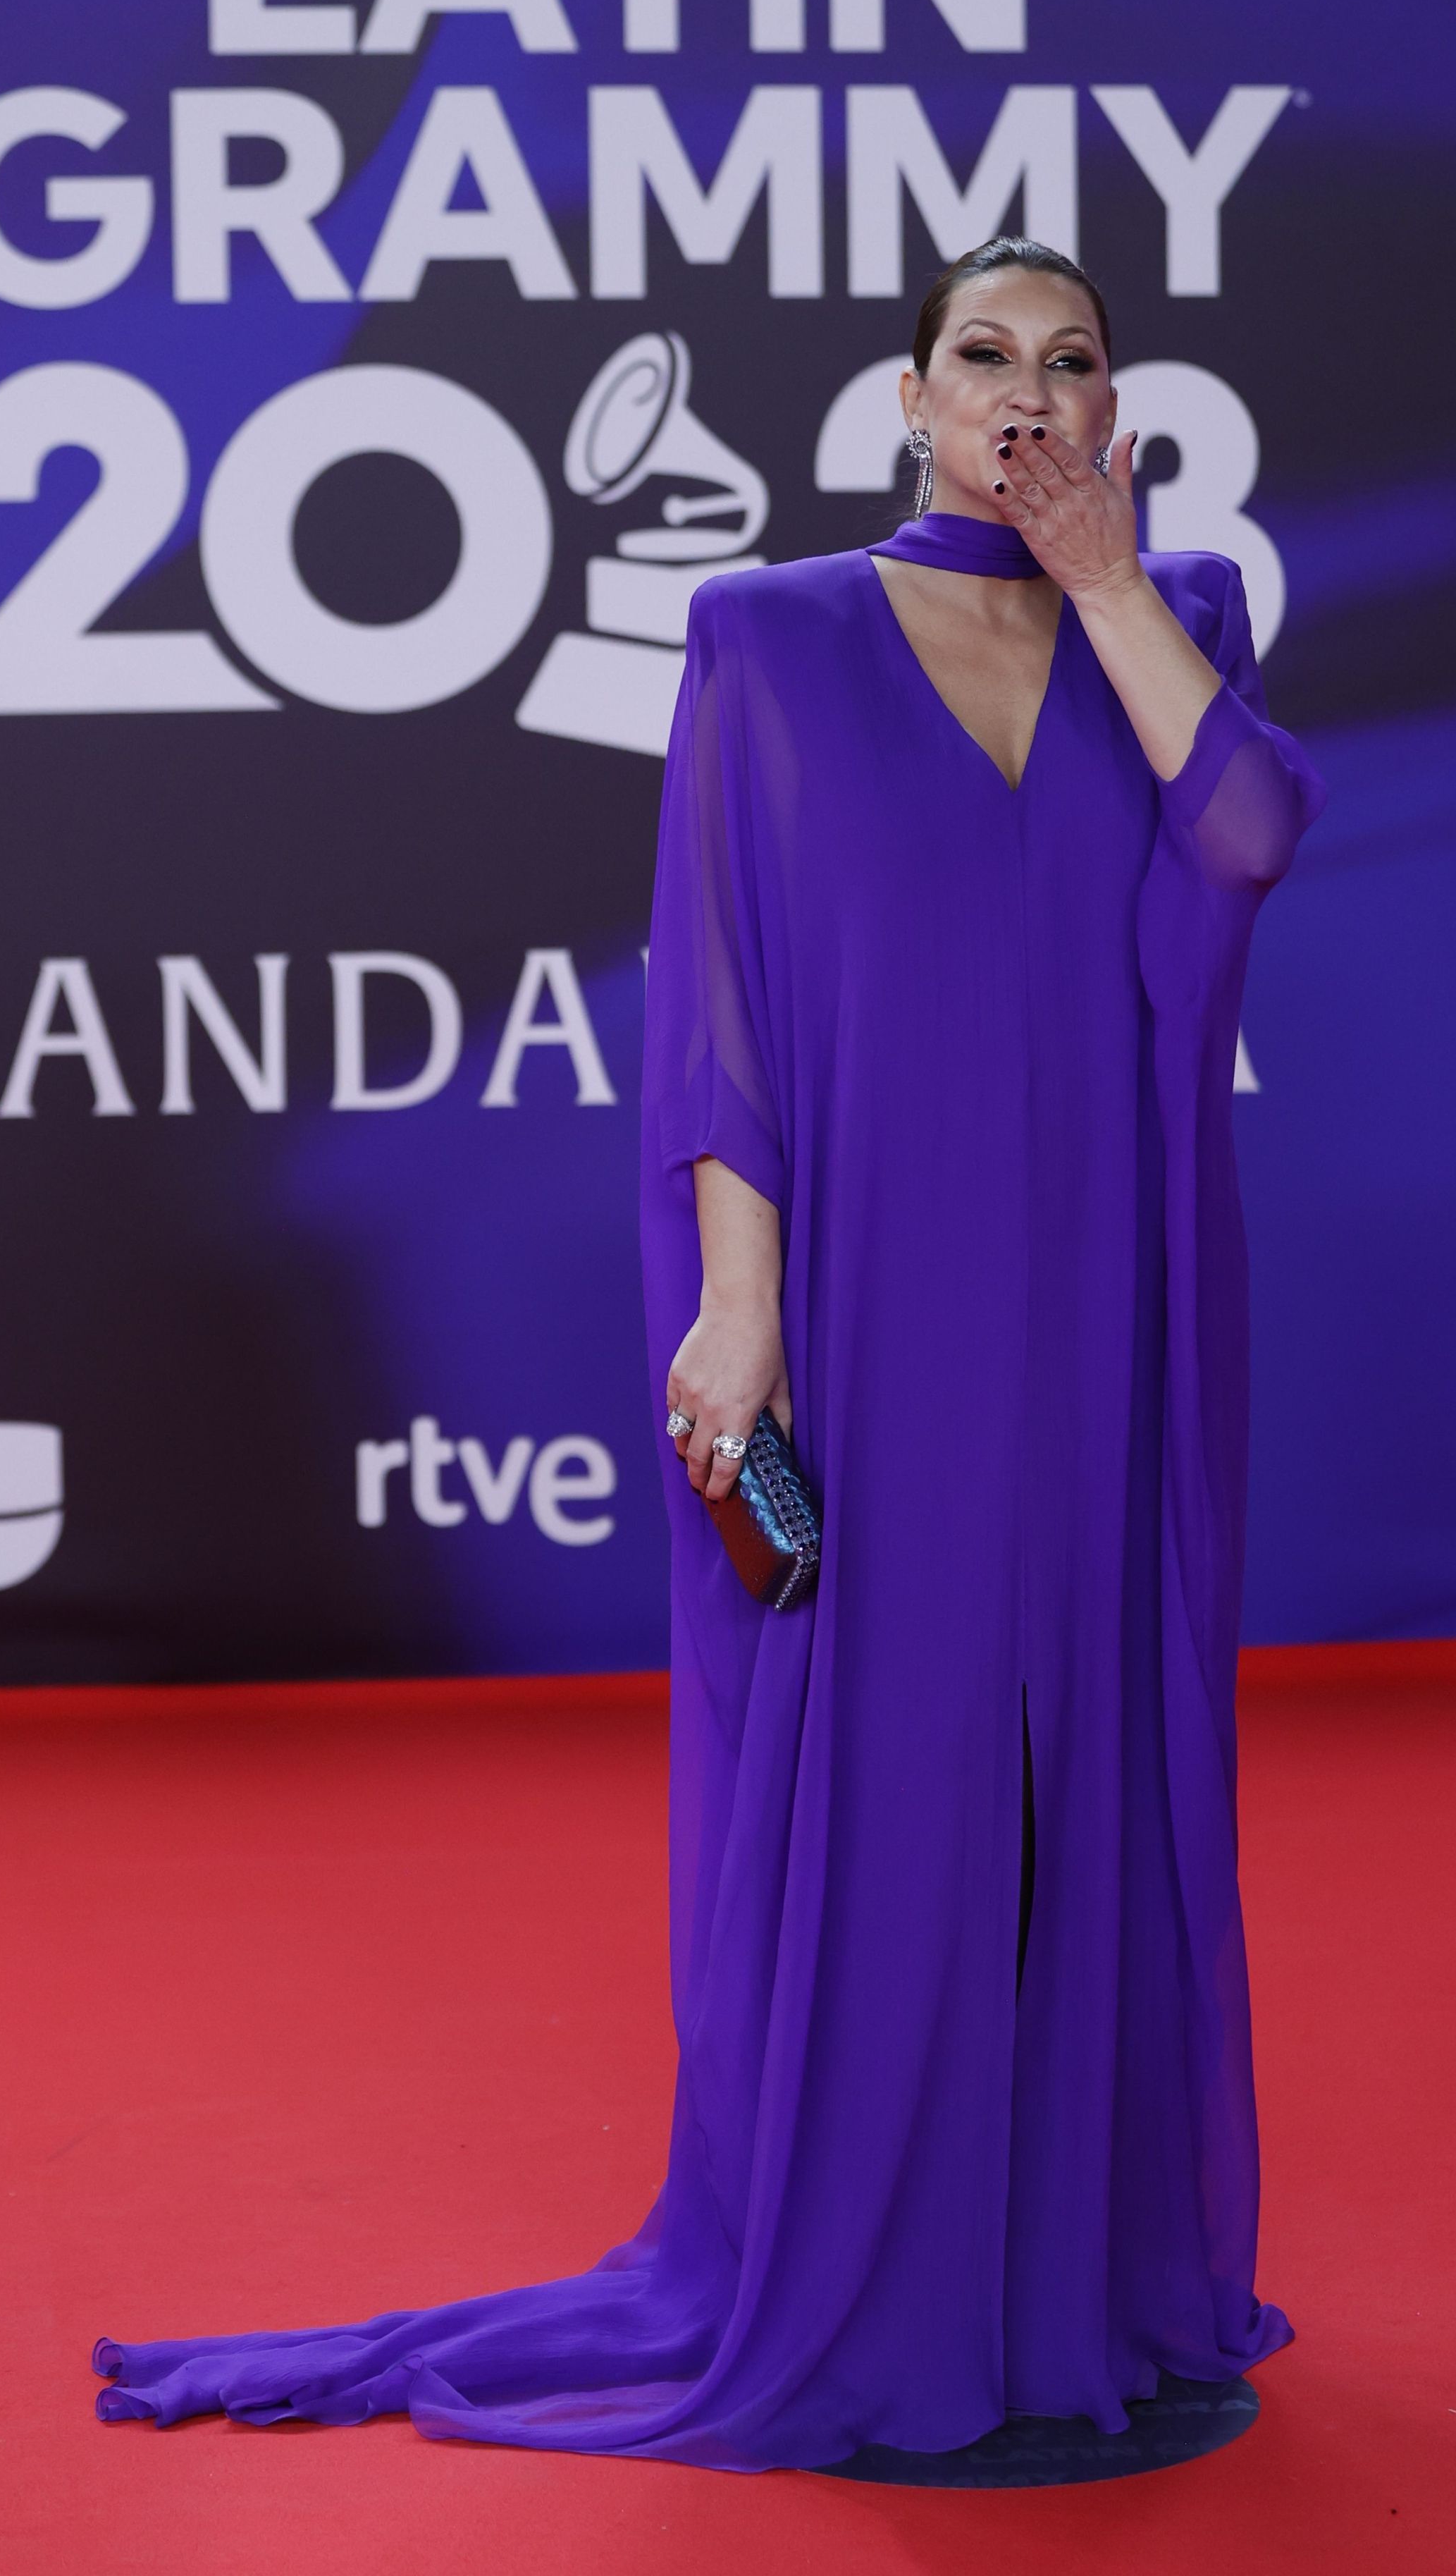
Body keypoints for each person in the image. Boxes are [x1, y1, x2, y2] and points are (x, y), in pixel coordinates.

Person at [93, 237, 1324, 2469]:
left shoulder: (1185, 628)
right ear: (903, 398)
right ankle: (875, 2265)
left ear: (1117, 412)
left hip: (1117, 1285)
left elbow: (1247, 836)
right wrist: (734, 1317)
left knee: (1095, 1761)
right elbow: (723, 1017)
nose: (1022, 395)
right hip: (877, 1293)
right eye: (983, 359)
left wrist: (1114, 578)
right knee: (895, 1761)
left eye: (1068, 364)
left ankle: (1068, 2262)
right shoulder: (769, 638)